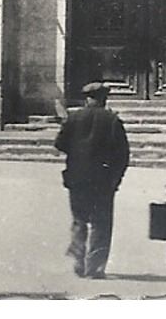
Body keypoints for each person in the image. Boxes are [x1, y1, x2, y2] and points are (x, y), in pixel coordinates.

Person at [54, 81, 130, 280]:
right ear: (104, 99)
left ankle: (79, 259)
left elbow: (60, 144)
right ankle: (94, 267)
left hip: (77, 179)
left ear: (87, 98)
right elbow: (123, 154)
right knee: (101, 223)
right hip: (104, 181)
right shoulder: (112, 120)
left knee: (79, 220)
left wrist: (78, 151)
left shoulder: (74, 118)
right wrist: (116, 178)